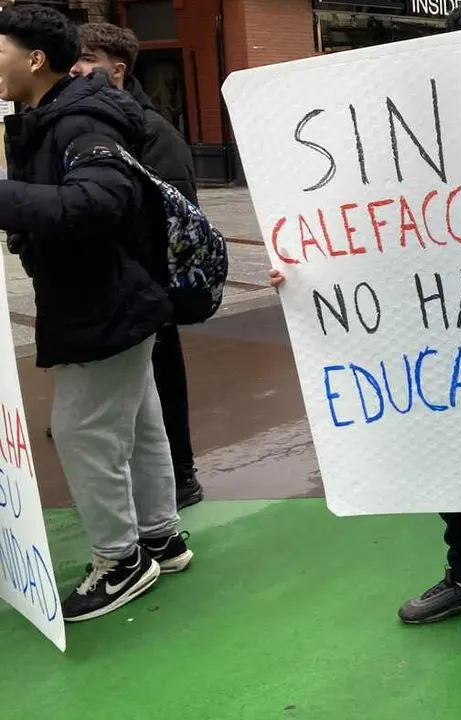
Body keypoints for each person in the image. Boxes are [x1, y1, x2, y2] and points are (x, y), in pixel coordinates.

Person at [269, 0, 461, 669]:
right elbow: (368, 230)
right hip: (440, 335)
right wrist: (302, 269)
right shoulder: (398, 139)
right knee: (456, 457)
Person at [0, 5, 191, 622]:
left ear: (34, 59)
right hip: (115, 296)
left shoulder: (82, 121)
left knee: (85, 430)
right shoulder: (48, 116)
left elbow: (97, 202)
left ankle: (122, 561)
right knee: (137, 422)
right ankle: (161, 536)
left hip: (106, 301)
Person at [71, 22, 205, 510]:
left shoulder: (152, 132)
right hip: (108, 288)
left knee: (161, 384)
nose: (76, 67)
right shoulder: (88, 125)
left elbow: (179, 216)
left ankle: (181, 475)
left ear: (117, 68)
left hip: (148, 289)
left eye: (86, 59)